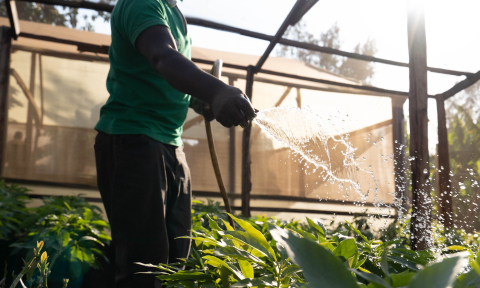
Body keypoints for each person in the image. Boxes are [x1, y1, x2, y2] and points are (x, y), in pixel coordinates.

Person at [93, 0, 256, 287]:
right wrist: (217, 91)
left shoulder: (171, 11)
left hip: (169, 142)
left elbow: (163, 76)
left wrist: (198, 99)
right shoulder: (142, 3)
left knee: (177, 257)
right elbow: (162, 58)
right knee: (144, 265)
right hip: (135, 140)